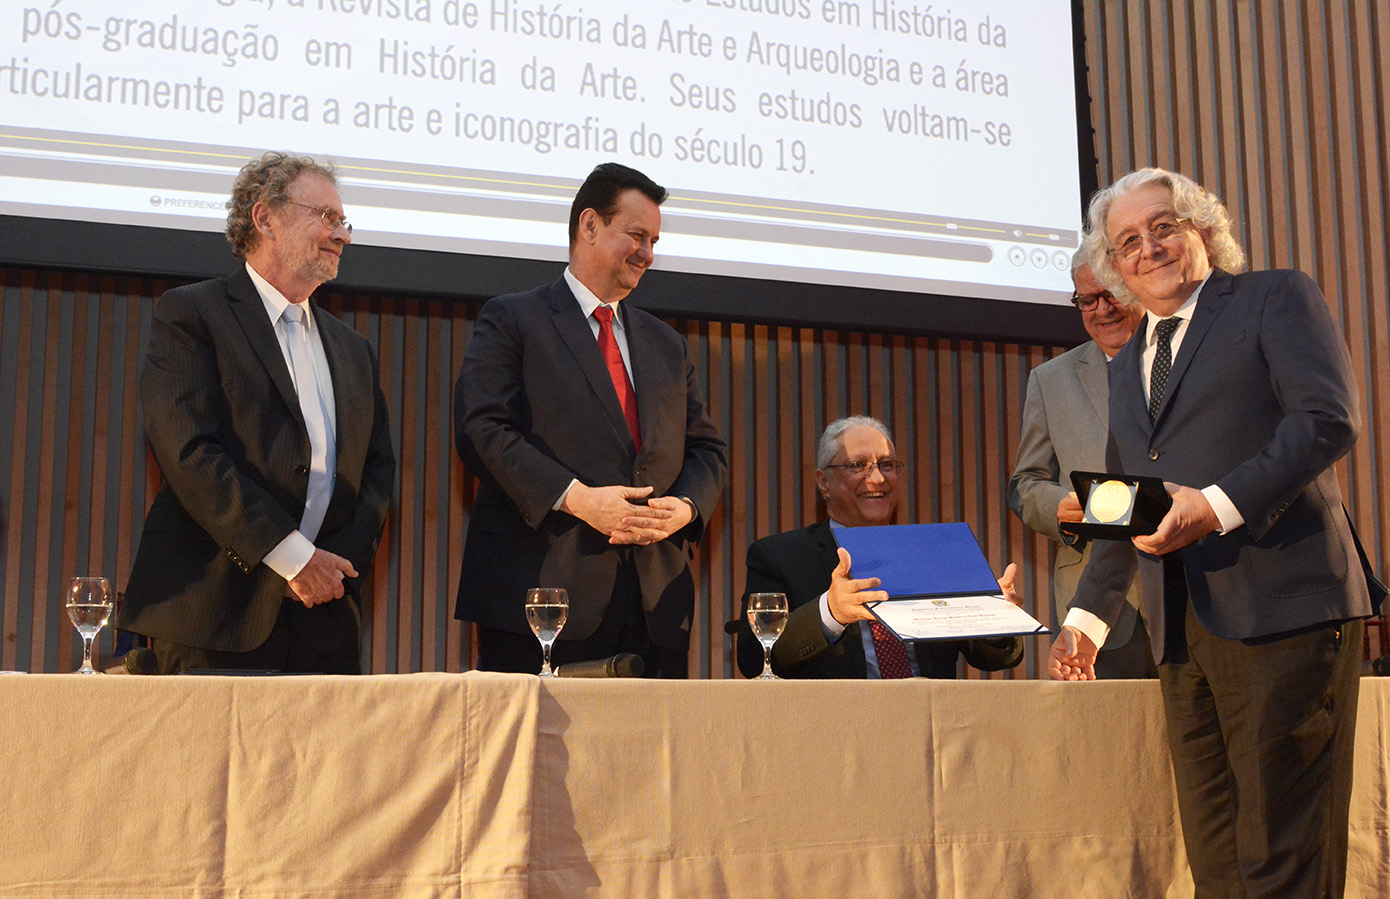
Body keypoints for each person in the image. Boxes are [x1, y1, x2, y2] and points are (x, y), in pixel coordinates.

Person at [1048, 168, 1371, 898]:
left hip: (1285, 611)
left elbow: (1327, 420)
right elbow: (1122, 501)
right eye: (1128, 241)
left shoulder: (1273, 297)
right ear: (1114, 266)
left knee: (1283, 859)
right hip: (1182, 632)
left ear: (1201, 227)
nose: (1149, 248)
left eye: (1163, 226)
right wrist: (1085, 622)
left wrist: (1217, 505)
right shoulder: (1128, 362)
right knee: (1217, 863)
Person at [120, 152, 395, 674]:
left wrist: (328, 572)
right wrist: (291, 559)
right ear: (265, 218)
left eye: (345, 222)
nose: (342, 235)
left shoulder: (353, 349)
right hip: (214, 615)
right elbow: (189, 452)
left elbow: (377, 476)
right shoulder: (192, 313)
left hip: (325, 623)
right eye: (327, 217)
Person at [454, 162, 728, 679]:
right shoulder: (514, 318)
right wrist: (579, 499)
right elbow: (481, 430)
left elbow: (707, 450)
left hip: (655, 608)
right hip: (543, 601)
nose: (648, 253)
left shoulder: (666, 343)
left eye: (654, 241)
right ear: (590, 225)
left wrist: (685, 508)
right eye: (637, 235)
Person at [735, 416, 1023, 679]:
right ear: (824, 483)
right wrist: (830, 613)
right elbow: (753, 660)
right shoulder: (779, 557)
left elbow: (994, 657)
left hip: (930, 713)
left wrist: (995, 618)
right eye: (857, 465)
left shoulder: (934, 552)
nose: (877, 478)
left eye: (886, 465)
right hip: (836, 717)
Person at [1007, 252, 1156, 679]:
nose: (1102, 310)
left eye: (1112, 294)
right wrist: (1059, 507)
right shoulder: (1051, 379)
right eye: (1087, 300)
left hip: (1195, 594)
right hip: (1098, 608)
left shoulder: (1182, 363)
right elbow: (1025, 483)